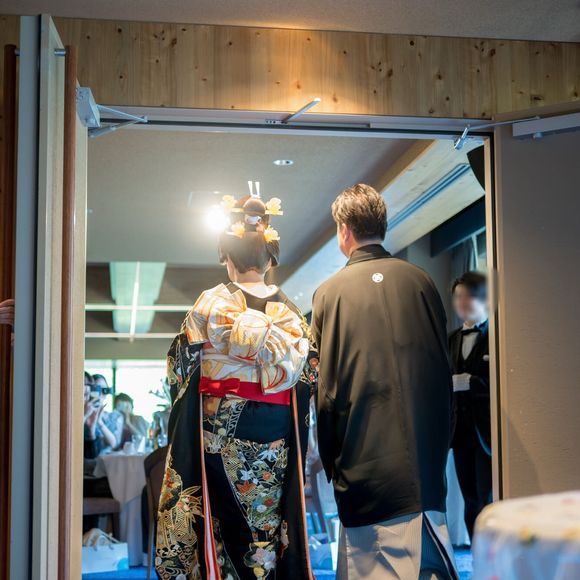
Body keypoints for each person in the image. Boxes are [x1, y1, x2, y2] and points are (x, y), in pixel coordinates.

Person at [156, 193, 316, 580]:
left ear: (227, 258)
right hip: (276, 431)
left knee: (223, 521)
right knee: (264, 525)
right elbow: (308, 375)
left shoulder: (209, 305)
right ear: (270, 260)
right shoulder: (292, 314)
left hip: (221, 426)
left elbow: (178, 368)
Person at [312, 184, 458, 579]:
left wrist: (331, 456)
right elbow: (441, 371)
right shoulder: (420, 281)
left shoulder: (329, 294)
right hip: (425, 461)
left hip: (365, 461)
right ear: (382, 225)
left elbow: (327, 390)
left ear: (344, 230)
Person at [449, 271, 491, 539]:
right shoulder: (450, 338)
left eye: (468, 296)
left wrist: (472, 382)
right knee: (470, 499)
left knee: (488, 500)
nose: (462, 302)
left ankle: (492, 555)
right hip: (460, 433)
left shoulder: (496, 335)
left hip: (487, 433)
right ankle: (477, 554)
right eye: (458, 297)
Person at [86, 374, 123, 455]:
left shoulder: (115, 417)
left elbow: (114, 444)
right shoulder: (83, 417)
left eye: (104, 390)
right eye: (97, 389)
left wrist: (99, 422)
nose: (100, 394)